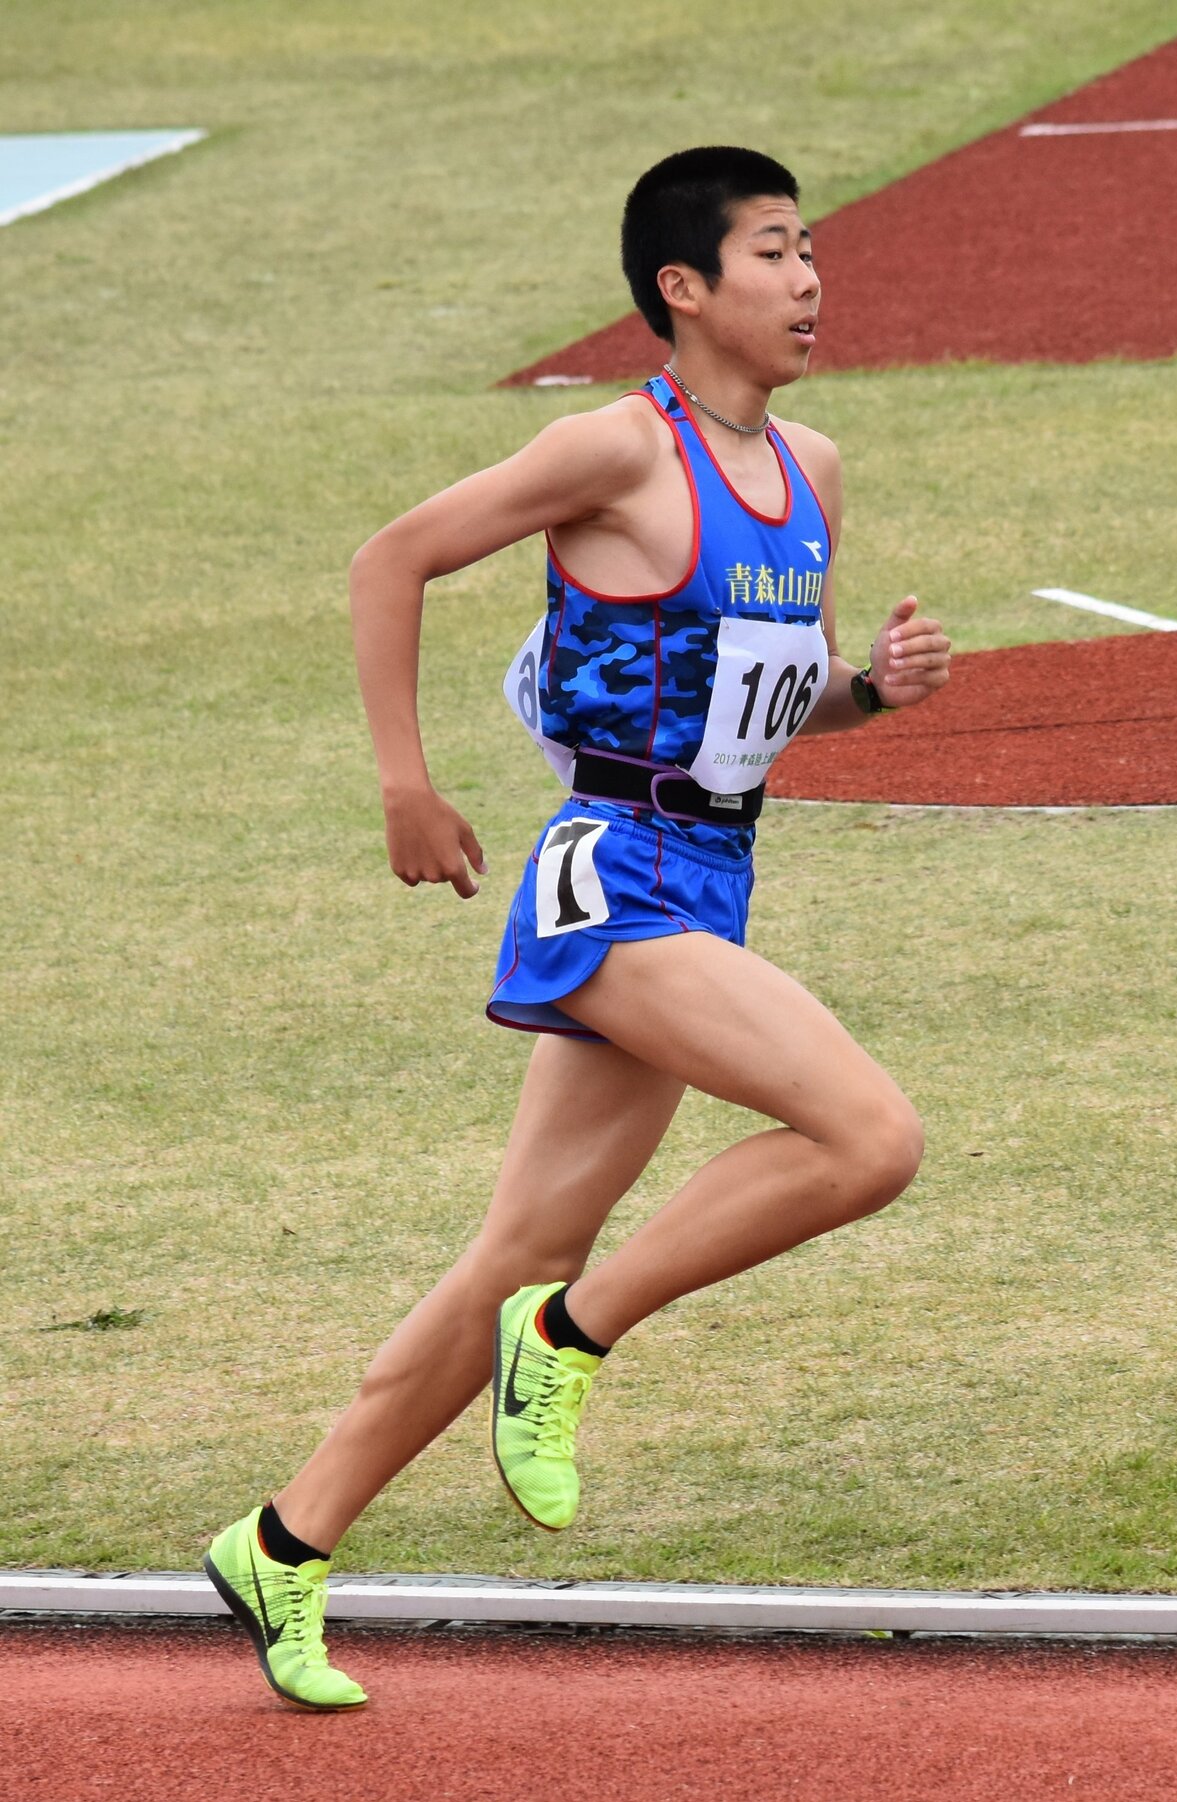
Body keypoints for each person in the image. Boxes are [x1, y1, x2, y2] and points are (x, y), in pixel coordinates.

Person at [203, 145, 952, 1710]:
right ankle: (577, 1336)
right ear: (684, 288)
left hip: (714, 876)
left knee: (517, 1246)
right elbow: (389, 556)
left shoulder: (807, 468)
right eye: (772, 253)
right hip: (609, 881)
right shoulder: (610, 447)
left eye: (810, 250)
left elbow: (764, 700)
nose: (809, 281)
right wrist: (405, 788)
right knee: (868, 1138)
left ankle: (284, 1540)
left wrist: (871, 690)